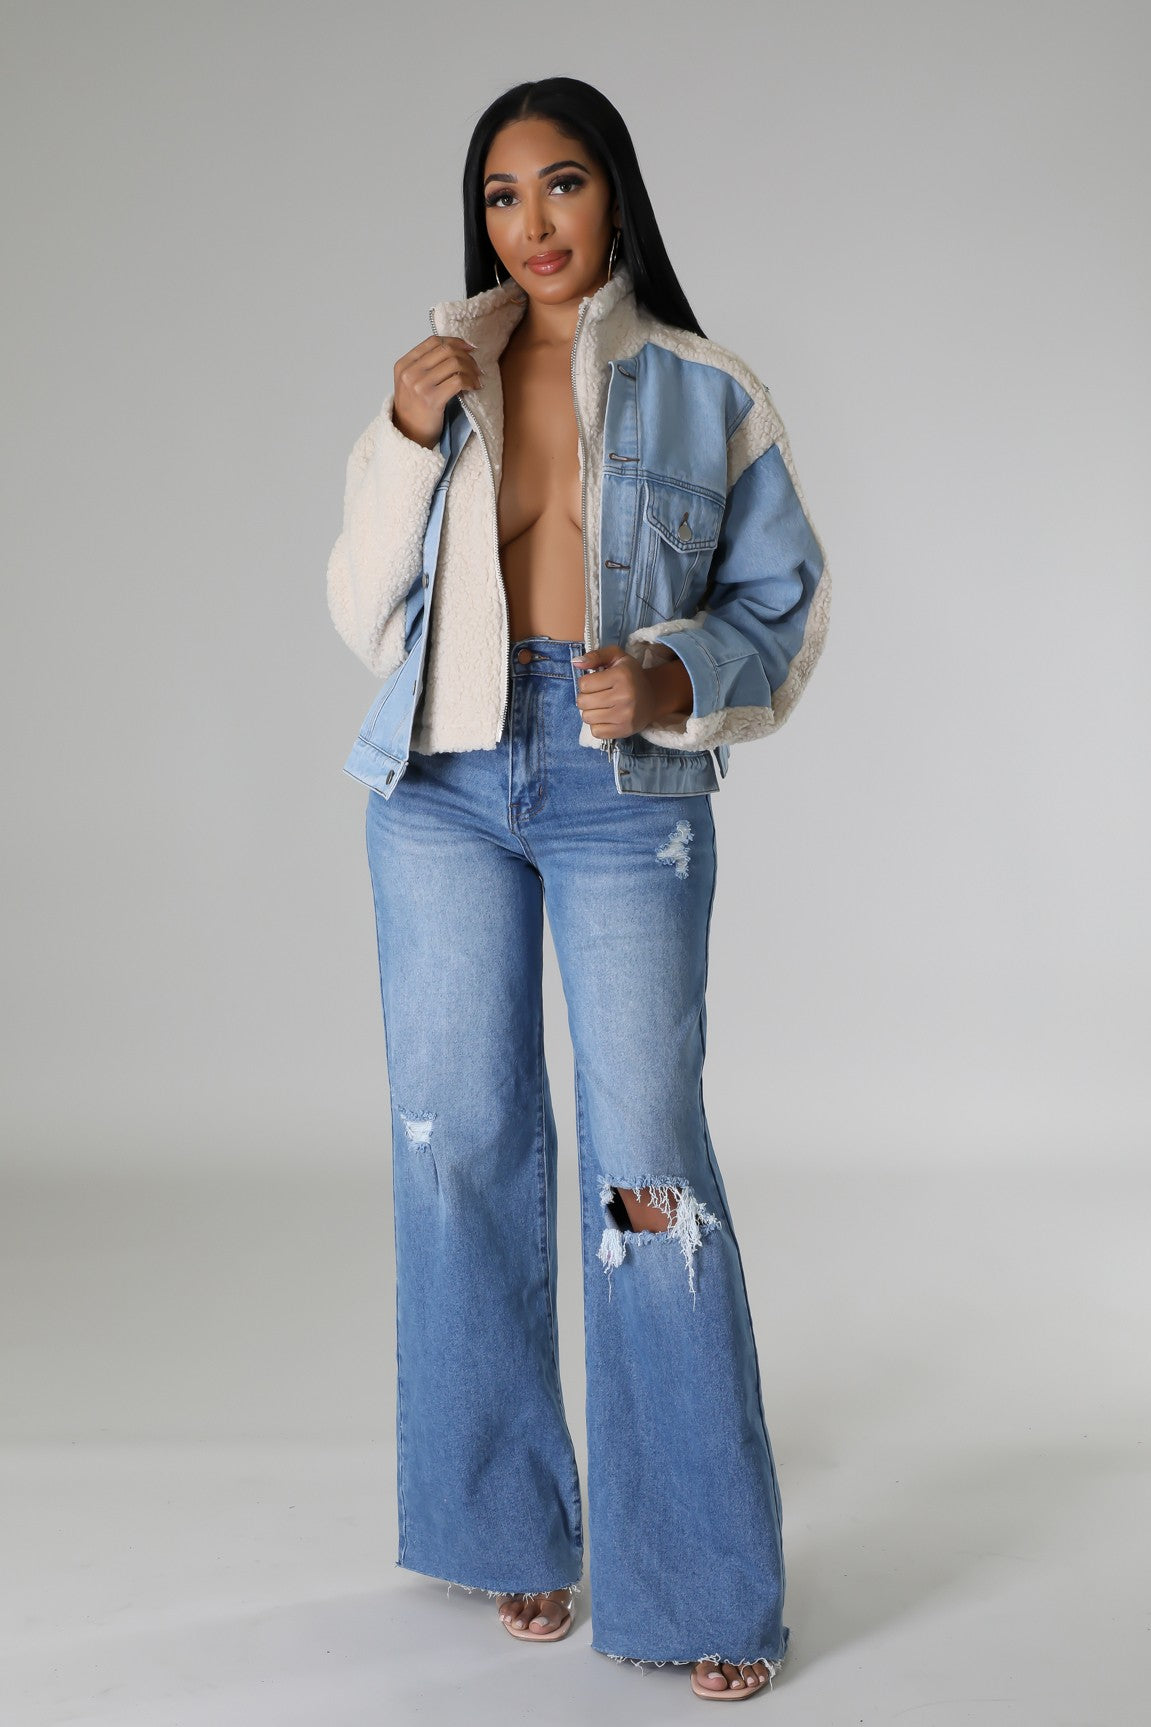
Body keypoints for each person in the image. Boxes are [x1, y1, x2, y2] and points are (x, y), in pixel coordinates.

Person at [325, 76, 830, 1702]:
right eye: (501, 195)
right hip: (443, 781)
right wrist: (403, 442)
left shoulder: (707, 388)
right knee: (459, 1146)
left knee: (644, 1171)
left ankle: (701, 1581)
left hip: (623, 793)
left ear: (616, 195)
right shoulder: (442, 382)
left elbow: (783, 606)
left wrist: (671, 676)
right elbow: (360, 611)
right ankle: (508, 1532)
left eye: (561, 185)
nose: (531, 224)